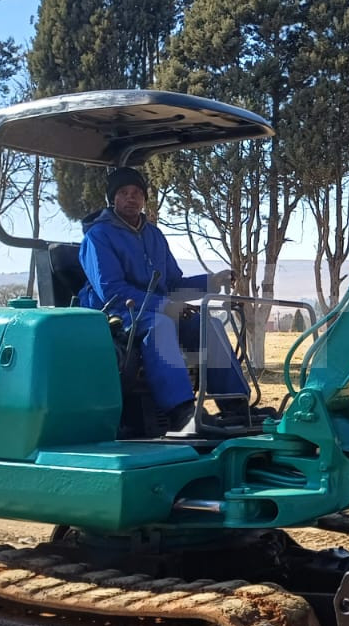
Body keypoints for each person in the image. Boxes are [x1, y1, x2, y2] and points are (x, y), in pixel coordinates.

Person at [77, 166, 248, 433]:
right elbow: (112, 291)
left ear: (144, 198)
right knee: (159, 326)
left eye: (136, 192)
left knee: (208, 324)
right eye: (123, 192)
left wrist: (210, 281)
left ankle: (236, 406)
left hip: (155, 309)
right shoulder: (98, 237)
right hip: (114, 314)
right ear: (113, 199)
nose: (131, 198)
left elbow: (173, 284)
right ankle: (182, 413)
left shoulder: (153, 235)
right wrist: (167, 307)